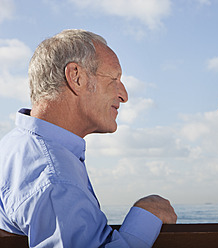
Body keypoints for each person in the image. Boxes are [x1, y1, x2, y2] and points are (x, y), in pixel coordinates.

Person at [0, 29, 177, 247]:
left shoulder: (15, 146)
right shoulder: (55, 178)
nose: (124, 95)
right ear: (76, 77)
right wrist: (147, 214)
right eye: (115, 78)